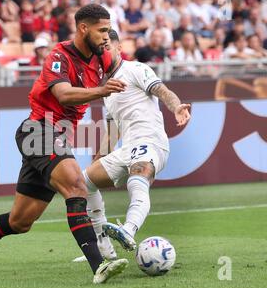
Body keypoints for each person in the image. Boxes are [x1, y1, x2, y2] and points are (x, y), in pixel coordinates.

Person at [0, 4, 129, 284]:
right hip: (37, 130)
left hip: (58, 137)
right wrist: (101, 90)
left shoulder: (103, 57)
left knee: (20, 221)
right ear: (83, 28)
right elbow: (63, 95)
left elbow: (130, 71)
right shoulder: (59, 56)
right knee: (76, 185)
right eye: (101, 31)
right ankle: (99, 267)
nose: (106, 36)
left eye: (109, 31)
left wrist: (159, 92)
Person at [74, 29, 191, 260]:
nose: (103, 53)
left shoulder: (136, 69)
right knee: (83, 182)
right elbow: (114, 128)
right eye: (100, 50)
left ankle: (128, 230)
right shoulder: (107, 88)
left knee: (138, 177)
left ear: (118, 48)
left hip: (150, 142)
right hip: (127, 148)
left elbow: (162, 91)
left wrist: (176, 106)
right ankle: (102, 246)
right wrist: (100, 156)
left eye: (107, 47)